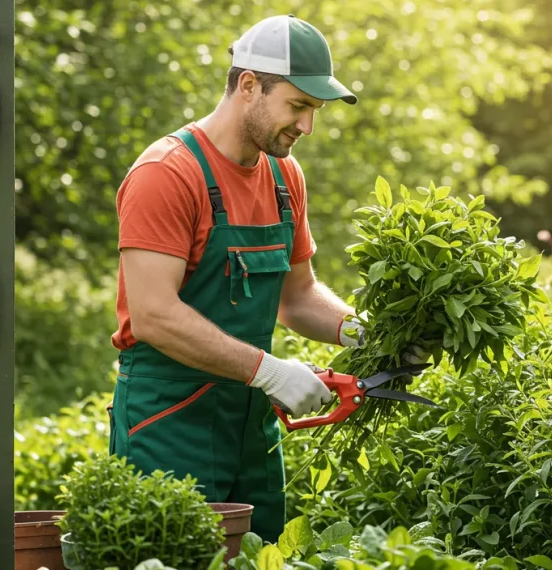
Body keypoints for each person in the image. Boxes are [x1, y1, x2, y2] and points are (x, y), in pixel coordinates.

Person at [107, 14, 426, 542]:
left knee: (264, 553)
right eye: (298, 106)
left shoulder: (283, 176)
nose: (307, 127)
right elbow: (154, 315)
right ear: (249, 85)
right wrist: (271, 372)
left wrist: (365, 334)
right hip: (167, 423)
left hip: (250, 422)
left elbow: (297, 297)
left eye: (314, 111)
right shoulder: (166, 174)